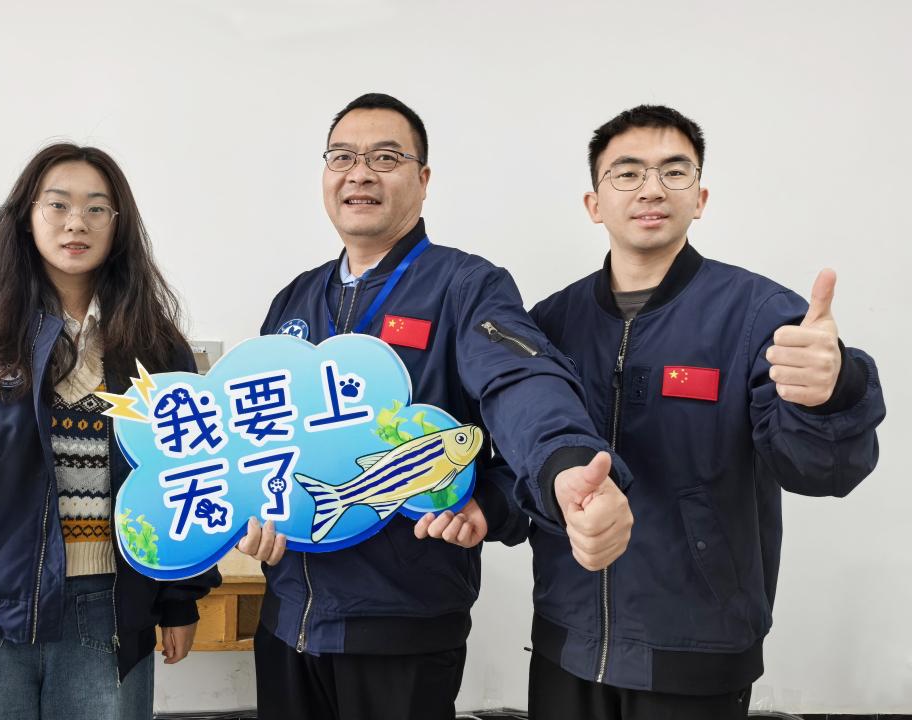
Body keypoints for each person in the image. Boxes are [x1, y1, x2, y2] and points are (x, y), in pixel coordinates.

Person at [238, 92, 635, 720]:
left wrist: (562, 464)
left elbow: (519, 381)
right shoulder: (295, 298)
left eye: (385, 157)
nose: (360, 173)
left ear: (423, 180)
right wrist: (249, 514)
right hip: (288, 621)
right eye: (342, 157)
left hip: (402, 627)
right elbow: (256, 440)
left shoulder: (466, 286)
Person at [525, 105, 886, 719]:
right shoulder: (551, 322)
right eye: (627, 173)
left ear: (700, 197)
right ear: (594, 203)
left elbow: (819, 471)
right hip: (566, 642)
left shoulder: (760, 316)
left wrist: (835, 389)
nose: (651, 189)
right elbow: (525, 463)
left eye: (674, 171)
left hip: (698, 650)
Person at [0, 143, 221, 720]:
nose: (75, 223)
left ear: (119, 224)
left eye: (96, 208)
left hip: (108, 612)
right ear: (26, 216)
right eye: (58, 204)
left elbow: (186, 476)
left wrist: (180, 599)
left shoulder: (156, 342)